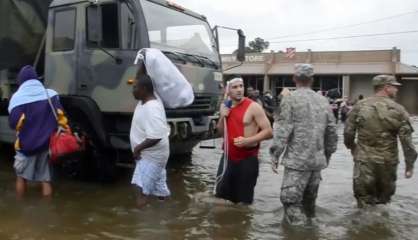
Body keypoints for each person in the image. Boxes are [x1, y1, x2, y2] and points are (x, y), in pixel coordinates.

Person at [270, 64, 338, 225]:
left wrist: (274, 156)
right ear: (312, 79)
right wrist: (327, 155)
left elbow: (283, 130)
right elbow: (332, 132)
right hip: (316, 163)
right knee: (309, 207)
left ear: (294, 79)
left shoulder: (290, 99)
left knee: (291, 204)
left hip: (296, 163)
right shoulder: (323, 101)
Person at [344, 75, 417, 208]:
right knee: (384, 204)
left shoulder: (359, 106)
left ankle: (362, 227)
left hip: (364, 162)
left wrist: (352, 148)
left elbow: (348, 133)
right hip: (388, 163)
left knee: (363, 203)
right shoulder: (399, 109)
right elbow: (406, 142)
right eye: (394, 87)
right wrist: (409, 166)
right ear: (386, 87)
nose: (397, 90)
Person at [8, 65, 68, 198]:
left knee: (21, 177)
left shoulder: (18, 98)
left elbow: (14, 124)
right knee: (45, 179)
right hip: (46, 145)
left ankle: (20, 207)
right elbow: (61, 116)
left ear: (21, 80)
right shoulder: (50, 94)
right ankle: (47, 208)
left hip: (26, 147)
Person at [215, 77, 272, 204]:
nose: (239, 90)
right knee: (222, 198)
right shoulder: (225, 106)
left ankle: (243, 222)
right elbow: (220, 133)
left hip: (247, 160)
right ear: (227, 90)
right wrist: (221, 117)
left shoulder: (254, 107)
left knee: (244, 202)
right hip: (227, 158)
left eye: (241, 86)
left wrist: (248, 140)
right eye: (235, 87)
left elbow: (269, 132)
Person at [130, 67, 170, 208]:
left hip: (151, 156)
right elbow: (141, 77)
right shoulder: (146, 100)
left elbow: (156, 136)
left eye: (135, 87)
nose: (132, 90)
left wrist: (137, 149)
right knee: (159, 192)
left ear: (144, 89)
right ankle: (164, 215)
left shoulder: (152, 108)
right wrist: (142, 59)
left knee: (140, 188)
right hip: (155, 156)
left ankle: (144, 227)